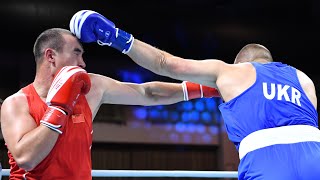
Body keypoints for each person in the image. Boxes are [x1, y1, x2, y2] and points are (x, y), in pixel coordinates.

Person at [70, 10, 320, 179]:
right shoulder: (303, 78)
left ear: (239, 63)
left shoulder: (229, 72)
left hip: (266, 162)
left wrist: (115, 38)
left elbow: (165, 62)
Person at [0, 27, 220, 179]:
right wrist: (59, 108)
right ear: (51, 56)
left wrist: (206, 89)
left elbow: (148, 93)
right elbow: (27, 159)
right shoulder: (16, 103)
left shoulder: (91, 89)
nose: (82, 63)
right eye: (77, 53)